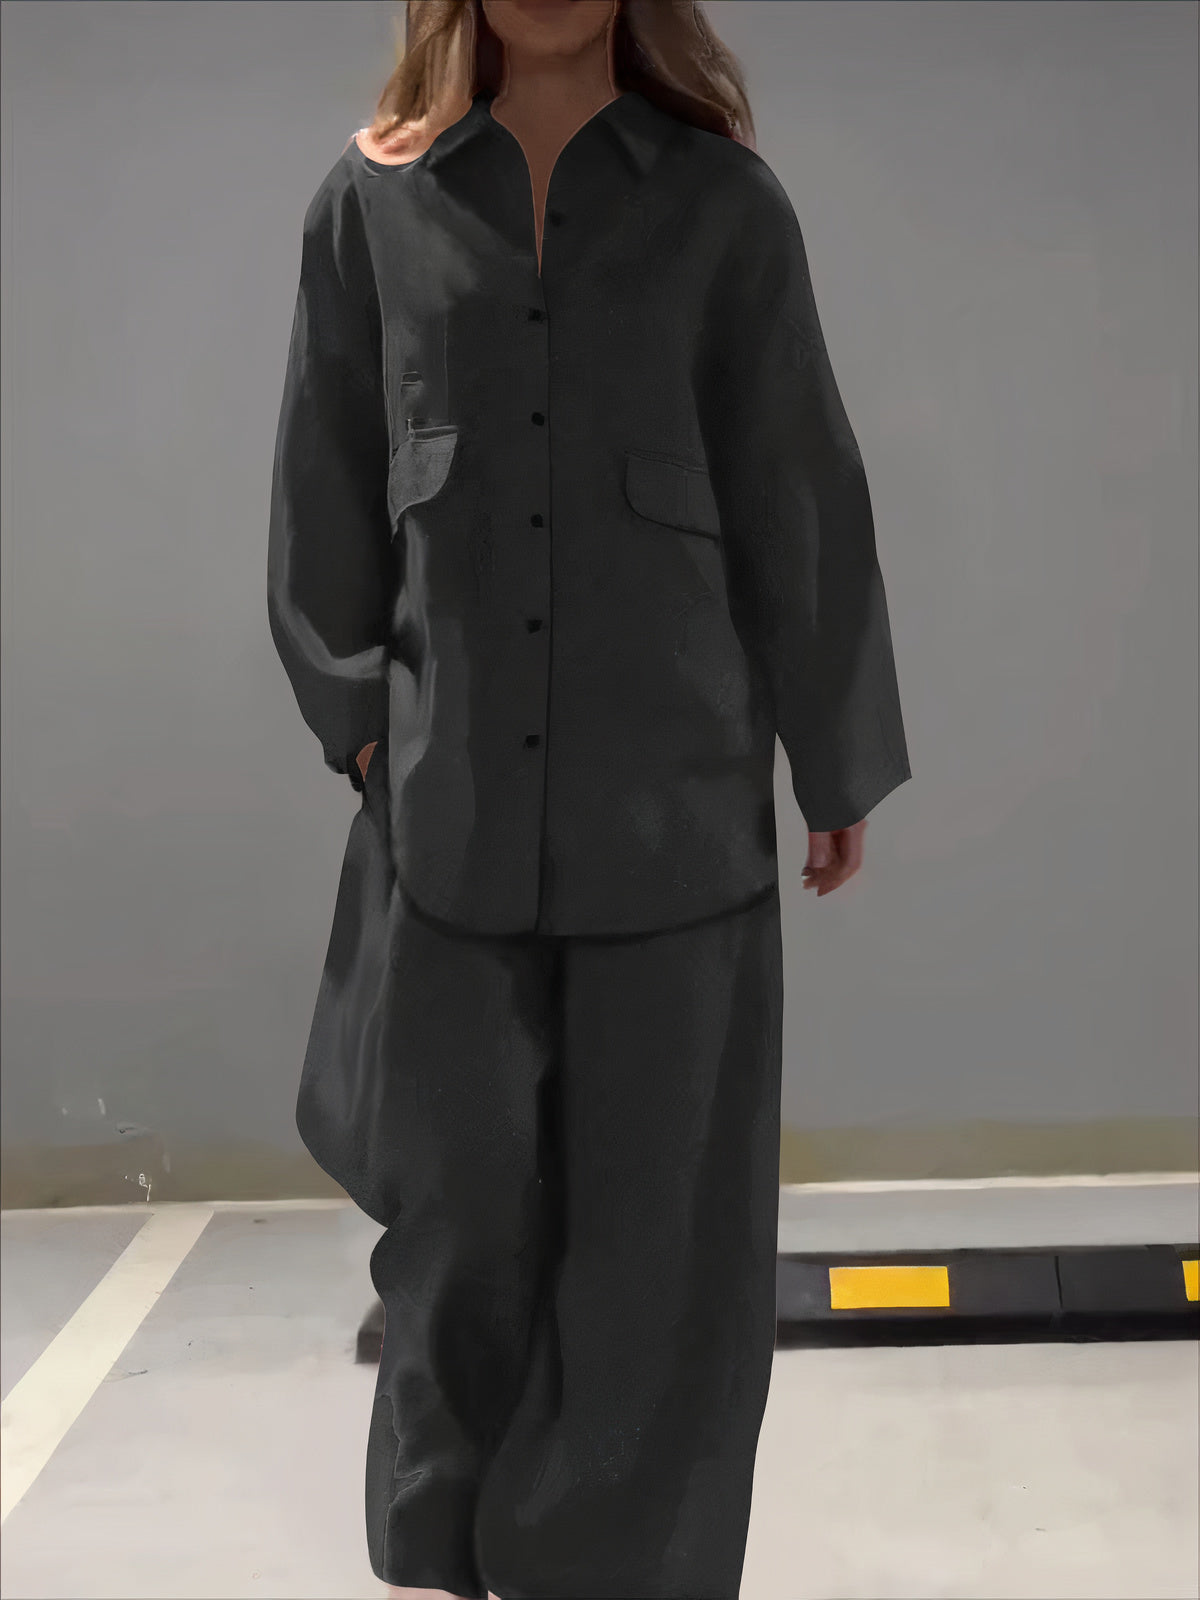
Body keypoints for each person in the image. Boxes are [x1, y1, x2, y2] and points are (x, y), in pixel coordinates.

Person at [266, 1, 912, 1595]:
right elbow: (325, 480)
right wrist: (366, 734)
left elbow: (798, 480)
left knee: (663, 1255)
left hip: (676, 818)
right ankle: (453, 1562)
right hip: (451, 827)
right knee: (456, 1229)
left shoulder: (724, 208)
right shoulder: (372, 207)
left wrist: (833, 753)